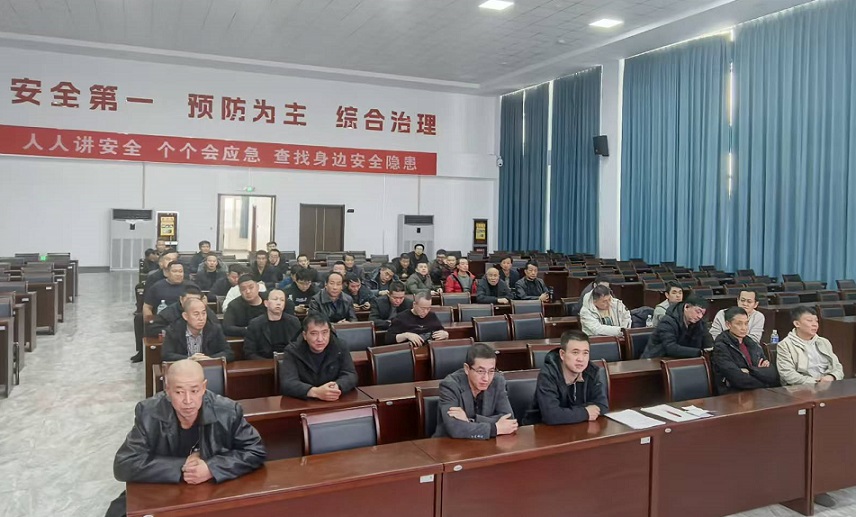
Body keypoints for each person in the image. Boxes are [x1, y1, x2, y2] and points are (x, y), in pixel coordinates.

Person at [107, 360, 265, 516]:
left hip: (211, 491)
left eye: (194, 391)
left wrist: (212, 467)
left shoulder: (227, 411)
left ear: (204, 387)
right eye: (179, 392)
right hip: (162, 490)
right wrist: (183, 466)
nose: (188, 401)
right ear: (168, 390)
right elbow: (124, 464)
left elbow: (255, 450)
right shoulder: (149, 412)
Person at [433, 342, 518, 440]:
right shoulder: (450, 385)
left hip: (484, 445)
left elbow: (509, 419)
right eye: (480, 371)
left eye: (491, 371)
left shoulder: (497, 381)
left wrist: (471, 420)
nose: (486, 378)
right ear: (467, 369)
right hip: (450, 445)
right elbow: (455, 428)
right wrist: (495, 428)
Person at [525, 330, 609, 425]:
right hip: (542, 430)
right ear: (562, 354)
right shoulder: (548, 374)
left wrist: (566, 413)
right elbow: (552, 416)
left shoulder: (592, 372)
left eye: (585, 353)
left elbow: (602, 406)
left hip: (577, 427)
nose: (581, 359)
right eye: (575, 352)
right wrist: (585, 412)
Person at [278, 314, 358, 400]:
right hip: (304, 402)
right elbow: (288, 383)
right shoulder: (292, 351)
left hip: (334, 399)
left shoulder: (340, 346)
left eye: (324, 332)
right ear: (305, 335)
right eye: (314, 333)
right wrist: (315, 392)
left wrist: (336, 387)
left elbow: (351, 374)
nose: (320, 339)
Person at [711, 306, 779, 394]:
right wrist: (762, 378)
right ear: (728, 325)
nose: (744, 328)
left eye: (746, 323)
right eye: (739, 324)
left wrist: (750, 370)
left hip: (758, 391)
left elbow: (772, 374)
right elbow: (738, 379)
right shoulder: (721, 346)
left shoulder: (751, 343)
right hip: (733, 394)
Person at [777, 306, 843, 386]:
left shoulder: (824, 342)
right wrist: (816, 382)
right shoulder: (785, 345)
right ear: (797, 324)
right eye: (809, 321)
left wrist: (832, 376)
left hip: (828, 385)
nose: (815, 324)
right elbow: (787, 373)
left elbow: (837, 367)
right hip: (801, 387)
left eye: (816, 321)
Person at [161, 298, 234, 362]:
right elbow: (166, 355)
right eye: (196, 314)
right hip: (183, 369)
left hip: (208, 368)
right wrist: (189, 359)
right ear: (185, 316)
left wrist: (209, 359)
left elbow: (229, 353)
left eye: (203, 313)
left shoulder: (214, 329)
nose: (201, 318)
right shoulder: (173, 330)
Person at [641, 296, 713, 358]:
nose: (700, 316)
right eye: (698, 312)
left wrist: (710, 351)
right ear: (686, 307)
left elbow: (708, 342)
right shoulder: (667, 321)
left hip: (682, 360)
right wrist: (700, 353)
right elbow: (671, 348)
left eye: (702, 313)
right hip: (656, 359)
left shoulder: (700, 322)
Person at [243, 289, 302, 360]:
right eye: (275, 299)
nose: (278, 303)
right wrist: (268, 363)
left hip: (290, 361)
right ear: (266, 303)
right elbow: (249, 353)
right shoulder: (255, 324)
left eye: (282, 300)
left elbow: (300, 347)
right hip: (265, 362)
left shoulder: (294, 322)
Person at [145, 285, 217, 338]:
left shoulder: (204, 310)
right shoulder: (170, 312)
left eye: (196, 300)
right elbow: (152, 330)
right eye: (189, 299)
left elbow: (216, 327)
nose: (191, 302)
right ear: (181, 299)